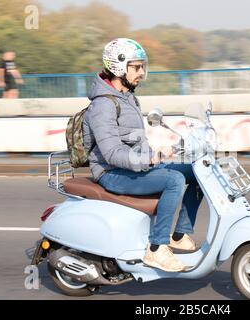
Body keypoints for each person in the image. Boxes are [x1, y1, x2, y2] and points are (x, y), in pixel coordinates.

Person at [82, 38, 203, 272]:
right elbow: (112, 152)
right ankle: (157, 248)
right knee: (174, 180)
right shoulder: (103, 105)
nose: (141, 72)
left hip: (133, 167)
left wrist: (163, 151)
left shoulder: (128, 97)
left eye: (142, 66)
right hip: (112, 173)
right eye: (136, 67)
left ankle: (179, 234)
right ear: (119, 67)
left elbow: (135, 141)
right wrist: (149, 158)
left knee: (196, 172)